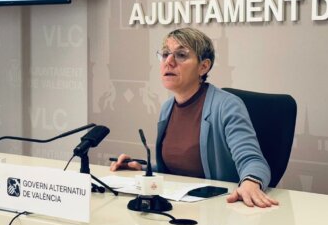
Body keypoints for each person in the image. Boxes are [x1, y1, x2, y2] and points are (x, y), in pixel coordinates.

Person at [110, 27, 278, 208]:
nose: (169, 62)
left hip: (218, 209)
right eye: (165, 54)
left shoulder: (227, 105)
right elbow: (177, 168)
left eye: (181, 55)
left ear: (203, 67)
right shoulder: (167, 108)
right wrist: (141, 168)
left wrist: (251, 183)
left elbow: (253, 160)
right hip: (177, 206)